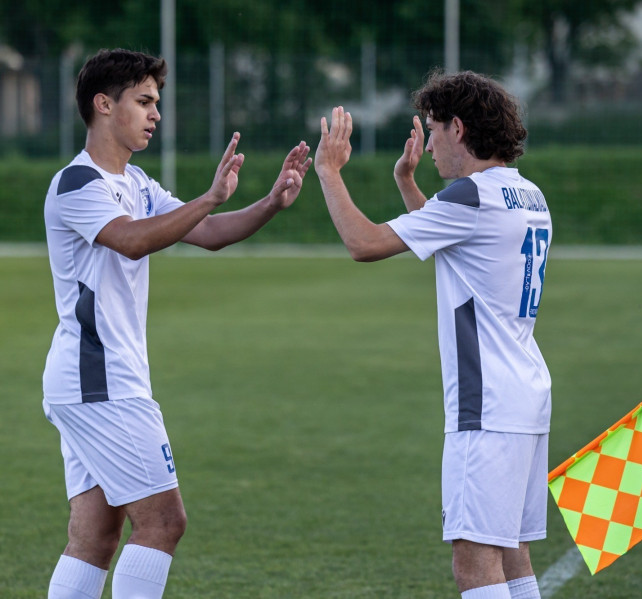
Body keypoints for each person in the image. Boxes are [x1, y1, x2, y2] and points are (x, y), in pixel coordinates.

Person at [42, 48, 311, 599]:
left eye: (156, 102)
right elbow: (131, 240)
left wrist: (269, 203)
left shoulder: (138, 182)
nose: (155, 113)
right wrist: (209, 197)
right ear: (103, 104)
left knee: (95, 537)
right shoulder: (78, 183)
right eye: (144, 101)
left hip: (98, 382)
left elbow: (205, 233)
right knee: (164, 521)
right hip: (100, 382)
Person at [314, 70, 551, 599]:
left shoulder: (469, 197)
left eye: (434, 129)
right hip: (526, 395)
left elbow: (364, 244)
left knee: (474, 560)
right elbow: (457, 239)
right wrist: (407, 184)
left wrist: (328, 171)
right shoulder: (527, 193)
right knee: (512, 553)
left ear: (458, 128)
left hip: (485, 404)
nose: (430, 144)